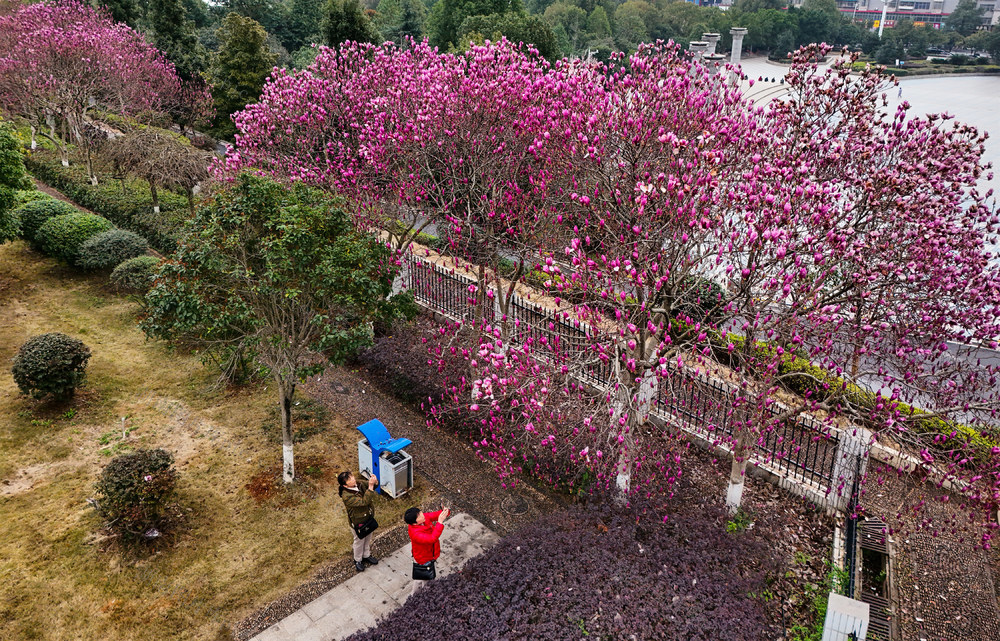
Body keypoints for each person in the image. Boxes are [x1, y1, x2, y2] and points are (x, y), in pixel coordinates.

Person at [338, 471, 379, 573]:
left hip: (368, 518)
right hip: (358, 522)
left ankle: (366, 555)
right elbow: (364, 502)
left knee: (368, 537)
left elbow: (373, 487)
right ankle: (358, 560)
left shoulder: (359, 483)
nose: (353, 479)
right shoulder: (347, 496)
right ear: (345, 485)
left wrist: (374, 482)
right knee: (359, 541)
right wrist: (370, 485)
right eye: (350, 479)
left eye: (351, 476)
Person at [404, 505, 450, 595]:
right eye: (420, 516)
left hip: (430, 554)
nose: (423, 515)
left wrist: (445, 511)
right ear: (414, 523)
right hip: (423, 557)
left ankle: (419, 594)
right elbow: (432, 539)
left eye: (421, 513)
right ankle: (420, 595)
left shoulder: (423, 518)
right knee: (424, 578)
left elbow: (436, 515)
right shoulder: (415, 533)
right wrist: (439, 523)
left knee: (421, 577)